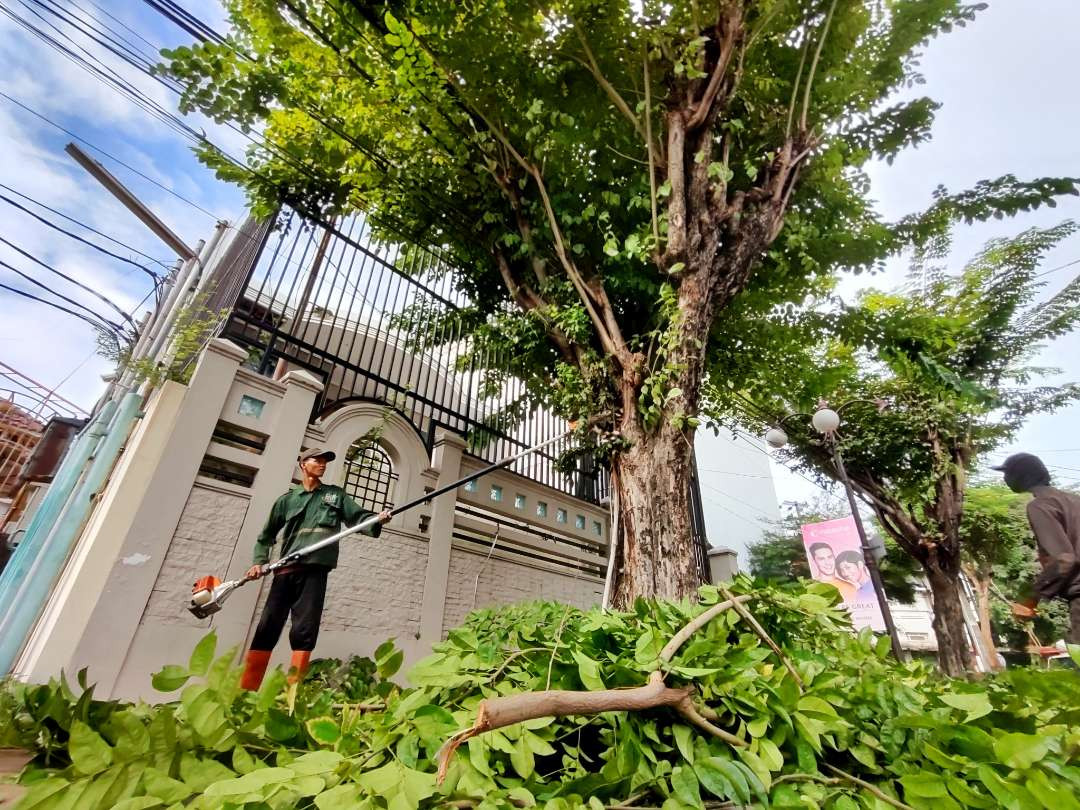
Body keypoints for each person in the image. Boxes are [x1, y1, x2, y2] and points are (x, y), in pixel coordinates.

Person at [239, 448, 392, 690]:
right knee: (267, 627)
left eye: (324, 461)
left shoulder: (334, 496)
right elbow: (266, 536)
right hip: (285, 570)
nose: (322, 464)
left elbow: (358, 518)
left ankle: (293, 694)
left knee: (305, 630)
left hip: (315, 571)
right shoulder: (287, 501)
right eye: (316, 460)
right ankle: (246, 690)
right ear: (303, 464)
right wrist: (258, 561)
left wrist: (377, 519)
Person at [993, 452, 1080, 645]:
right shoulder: (1075, 501)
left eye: (1007, 474)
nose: (1005, 479)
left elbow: (1064, 559)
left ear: (1021, 476)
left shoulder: (1040, 505)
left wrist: (1030, 599)